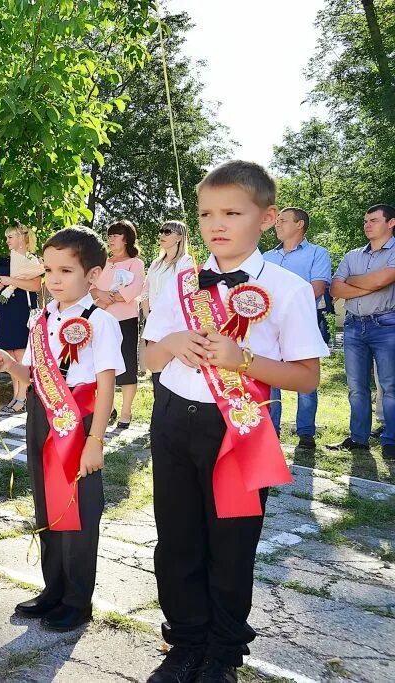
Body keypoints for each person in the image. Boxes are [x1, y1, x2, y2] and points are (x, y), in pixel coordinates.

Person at [143, 161, 327, 682]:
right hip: (174, 420)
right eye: (205, 213)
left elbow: (307, 377)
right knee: (177, 537)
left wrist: (241, 360)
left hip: (239, 429)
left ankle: (223, 652)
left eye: (231, 212)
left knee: (230, 544)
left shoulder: (288, 289)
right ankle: (184, 640)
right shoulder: (182, 282)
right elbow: (151, 356)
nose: (215, 224)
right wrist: (173, 344)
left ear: (267, 217)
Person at [0, 226, 121, 632]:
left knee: (78, 512)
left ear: (92, 275)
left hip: (79, 421)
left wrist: (95, 441)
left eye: (66, 270)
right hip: (42, 417)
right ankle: (53, 589)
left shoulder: (102, 322)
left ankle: (77, 600)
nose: (55, 279)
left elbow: (106, 384)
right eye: (49, 270)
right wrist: (10, 367)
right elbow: (34, 372)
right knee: (47, 505)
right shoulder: (41, 319)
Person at [328, 203, 395, 461]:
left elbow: (381, 281)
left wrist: (353, 282)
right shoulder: (352, 255)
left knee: (389, 387)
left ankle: (390, 440)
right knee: (356, 387)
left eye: (374, 220)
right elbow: (335, 289)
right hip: (354, 326)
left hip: (386, 326)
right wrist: (371, 285)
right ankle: (358, 439)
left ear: (390, 223)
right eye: (366, 220)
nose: (367, 224)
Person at [263, 207, 332, 451]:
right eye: (277, 220)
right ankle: (270, 431)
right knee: (270, 378)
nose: (277, 224)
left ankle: (306, 433)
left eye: (283, 220)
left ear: (299, 224)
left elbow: (317, 288)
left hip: (302, 325)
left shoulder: (317, 254)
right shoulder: (266, 258)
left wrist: (285, 309)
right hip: (269, 327)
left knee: (305, 379)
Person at [92, 220, 145, 429]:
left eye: (116, 235)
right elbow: (91, 285)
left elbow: (136, 288)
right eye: (110, 235)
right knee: (104, 364)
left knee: (127, 364)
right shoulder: (103, 261)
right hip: (101, 319)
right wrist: (100, 295)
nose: (111, 239)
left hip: (125, 320)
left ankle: (126, 411)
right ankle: (109, 408)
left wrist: (109, 297)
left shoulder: (135, 263)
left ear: (127, 238)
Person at [0, 224, 42, 411]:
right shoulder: (4, 260)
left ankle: (24, 396)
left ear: (22, 237)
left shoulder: (32, 259)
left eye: (10, 237)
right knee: (10, 354)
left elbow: (36, 285)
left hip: (23, 309)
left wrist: (10, 281)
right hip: (6, 310)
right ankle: (16, 395)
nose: (7, 241)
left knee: (21, 353)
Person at [141, 220, 193, 391]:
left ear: (179, 237)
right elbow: (146, 289)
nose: (161, 235)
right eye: (161, 231)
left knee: (173, 365)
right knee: (155, 368)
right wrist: (149, 314)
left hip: (174, 321)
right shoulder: (156, 263)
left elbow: (186, 293)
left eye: (167, 231)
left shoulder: (186, 262)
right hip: (154, 319)